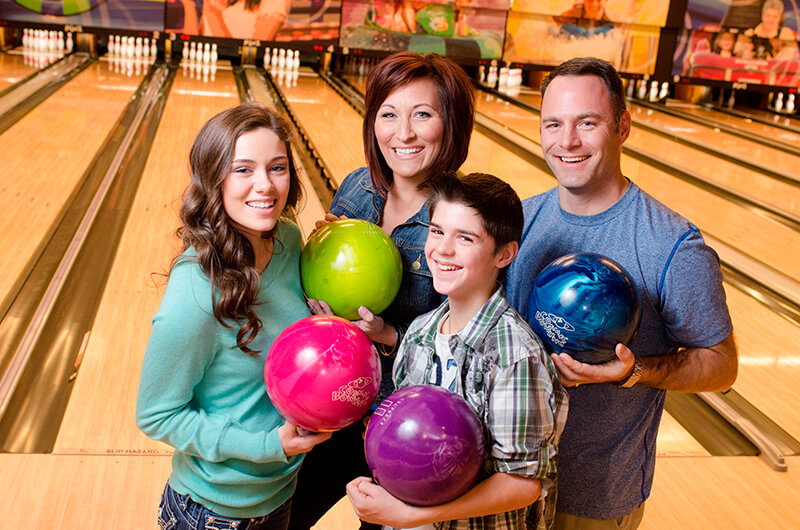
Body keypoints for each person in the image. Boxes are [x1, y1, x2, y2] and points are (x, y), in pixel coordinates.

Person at [505, 57, 737, 529]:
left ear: (623, 126)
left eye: (587, 123)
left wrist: (634, 372)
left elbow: (722, 364)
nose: (566, 141)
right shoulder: (520, 220)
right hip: (499, 481)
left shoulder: (671, 244)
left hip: (592, 498)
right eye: (554, 124)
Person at [289, 51, 475, 530]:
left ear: (450, 124)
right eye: (389, 115)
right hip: (333, 405)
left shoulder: (461, 218)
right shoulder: (356, 188)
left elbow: (471, 340)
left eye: (423, 115)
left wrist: (389, 333)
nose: (404, 133)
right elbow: (323, 277)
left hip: (406, 427)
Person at [136, 103, 331, 529]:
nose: (265, 184)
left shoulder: (288, 239)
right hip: (212, 511)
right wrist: (267, 444)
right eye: (243, 170)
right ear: (214, 180)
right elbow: (156, 415)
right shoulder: (196, 294)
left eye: (277, 167)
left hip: (279, 493)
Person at [346, 172, 568, 530]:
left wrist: (414, 516)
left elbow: (523, 483)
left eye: (465, 237)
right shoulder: (419, 333)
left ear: (505, 253)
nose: (443, 249)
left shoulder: (514, 355)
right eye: (437, 231)